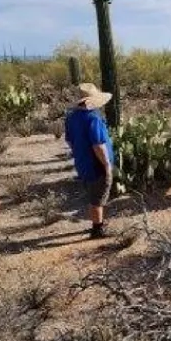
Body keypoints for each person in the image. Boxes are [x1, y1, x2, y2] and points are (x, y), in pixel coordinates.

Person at [64, 83, 115, 239]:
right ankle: (97, 229)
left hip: (83, 164)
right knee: (98, 198)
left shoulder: (71, 117)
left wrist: (80, 154)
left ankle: (97, 224)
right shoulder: (93, 118)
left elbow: (70, 141)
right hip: (96, 165)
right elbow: (98, 144)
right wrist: (106, 165)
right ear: (88, 101)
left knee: (93, 195)